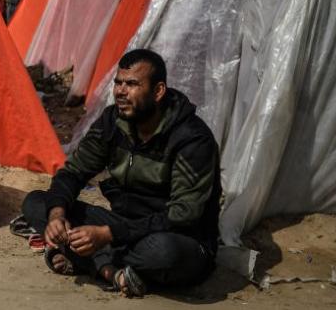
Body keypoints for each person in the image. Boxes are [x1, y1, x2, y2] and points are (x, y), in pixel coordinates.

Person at [22, 49, 220, 297]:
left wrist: (107, 235)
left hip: (176, 237)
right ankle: (117, 272)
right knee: (37, 203)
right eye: (118, 83)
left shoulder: (191, 139)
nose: (120, 92)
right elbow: (73, 172)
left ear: (158, 91)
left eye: (132, 84)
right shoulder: (113, 122)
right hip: (122, 227)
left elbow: (182, 214)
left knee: (163, 253)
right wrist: (56, 215)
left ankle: (98, 264)